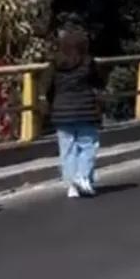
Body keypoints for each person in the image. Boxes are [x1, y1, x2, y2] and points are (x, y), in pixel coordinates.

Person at [48, 26, 104, 198]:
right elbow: (98, 82)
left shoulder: (55, 63)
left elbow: (49, 87)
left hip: (61, 112)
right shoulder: (88, 62)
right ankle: (83, 176)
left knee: (67, 149)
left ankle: (71, 185)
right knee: (88, 145)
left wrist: (52, 106)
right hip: (85, 110)